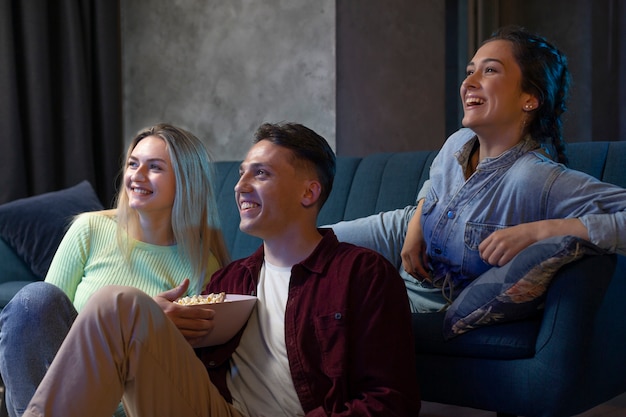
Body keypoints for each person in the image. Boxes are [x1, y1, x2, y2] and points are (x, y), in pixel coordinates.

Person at [20, 122, 420, 417]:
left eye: (260, 173)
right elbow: (177, 371)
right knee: (119, 301)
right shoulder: (230, 280)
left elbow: (390, 400)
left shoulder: (361, 274)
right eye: (242, 172)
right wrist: (156, 321)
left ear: (308, 191)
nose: (241, 184)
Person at [330, 25, 626, 312]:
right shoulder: (458, 141)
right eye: (470, 71)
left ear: (530, 99)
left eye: (490, 70)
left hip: (429, 299)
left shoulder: (535, 178)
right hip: (402, 232)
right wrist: (417, 223)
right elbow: (435, 183)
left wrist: (539, 232)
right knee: (299, 248)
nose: (468, 83)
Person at [0, 123, 230, 417]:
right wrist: (135, 320)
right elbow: (39, 328)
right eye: (133, 164)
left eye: (155, 167)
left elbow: (190, 372)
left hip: (132, 406)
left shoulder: (202, 265)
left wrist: (152, 329)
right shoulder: (89, 229)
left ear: (186, 181)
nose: (137, 175)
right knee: (34, 299)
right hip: (59, 400)